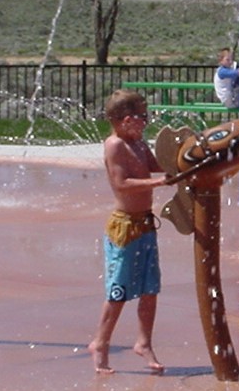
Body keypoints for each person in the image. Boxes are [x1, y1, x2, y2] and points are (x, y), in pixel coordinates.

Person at [88, 89, 176, 375]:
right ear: (126, 120)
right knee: (118, 291)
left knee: (150, 289)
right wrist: (160, 183)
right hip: (124, 228)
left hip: (145, 225)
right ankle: (100, 344)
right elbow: (122, 182)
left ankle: (144, 342)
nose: (146, 122)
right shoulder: (114, 146)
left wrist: (185, 162)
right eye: (142, 116)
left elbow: (154, 165)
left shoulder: (137, 142)